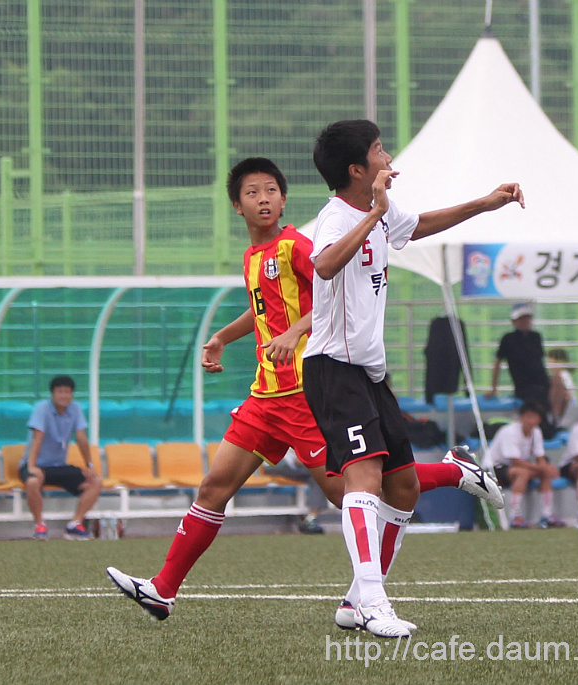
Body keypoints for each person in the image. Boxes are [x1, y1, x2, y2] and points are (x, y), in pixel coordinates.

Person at [105, 157, 504, 625]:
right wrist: (222, 337)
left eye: (271, 190)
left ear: (284, 199)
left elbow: (330, 300)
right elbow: (262, 310)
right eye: (252, 193)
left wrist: (294, 332)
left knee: (349, 491)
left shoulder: (297, 247)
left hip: (304, 392)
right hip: (264, 398)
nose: (263, 199)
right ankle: (163, 590)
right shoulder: (253, 257)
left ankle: (453, 471)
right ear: (237, 206)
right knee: (214, 487)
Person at [302, 119, 523, 638]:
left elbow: (416, 225)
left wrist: (483, 203)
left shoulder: (380, 211)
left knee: (402, 487)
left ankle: (357, 601)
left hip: (370, 372)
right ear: (357, 170)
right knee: (363, 480)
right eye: (380, 150)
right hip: (333, 368)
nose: (389, 157)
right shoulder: (337, 216)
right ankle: (375, 604)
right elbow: (325, 265)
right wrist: (375, 213)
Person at [20, 375, 101, 541]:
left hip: (59, 465)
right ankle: (39, 525)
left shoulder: (75, 408)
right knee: (33, 481)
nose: (63, 395)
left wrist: (89, 465)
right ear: (53, 394)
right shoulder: (42, 408)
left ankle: (75, 524)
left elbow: (81, 437)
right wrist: (32, 466)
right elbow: (37, 437)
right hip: (37, 464)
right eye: (60, 392)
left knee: (95, 481)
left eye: (67, 392)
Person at [485, 402, 564, 529]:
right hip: (495, 468)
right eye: (528, 417)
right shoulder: (510, 432)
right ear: (521, 417)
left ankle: (547, 514)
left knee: (545, 473)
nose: (531, 421)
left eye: (535, 417)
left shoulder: (536, 432)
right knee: (522, 473)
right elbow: (515, 461)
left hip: (515, 467)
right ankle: (515, 515)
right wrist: (543, 468)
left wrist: (546, 469)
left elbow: (540, 457)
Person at [487, 301, 549, 408]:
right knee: (538, 397)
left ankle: (555, 417)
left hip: (542, 381)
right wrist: (494, 388)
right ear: (513, 321)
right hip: (524, 386)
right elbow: (497, 363)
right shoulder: (508, 339)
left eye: (527, 318)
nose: (525, 321)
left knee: (558, 385)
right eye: (521, 318)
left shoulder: (536, 337)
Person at [547, 348, 578, 428]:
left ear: (560, 361)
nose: (548, 364)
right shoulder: (560, 376)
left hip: (565, 411)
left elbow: (568, 396)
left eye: (550, 361)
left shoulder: (563, 376)